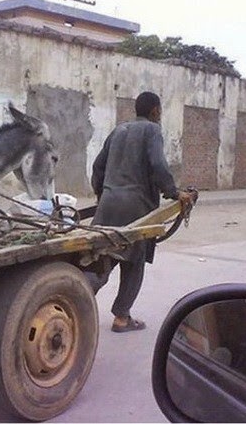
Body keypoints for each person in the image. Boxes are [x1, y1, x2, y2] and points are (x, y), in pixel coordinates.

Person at [90, 91, 192, 333]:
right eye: (160, 111)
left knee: (101, 258)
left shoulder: (119, 130)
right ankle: (122, 318)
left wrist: (102, 194)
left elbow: (97, 167)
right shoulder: (152, 131)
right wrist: (174, 192)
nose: (160, 115)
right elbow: (158, 164)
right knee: (134, 262)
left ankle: (73, 295)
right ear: (155, 111)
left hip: (108, 204)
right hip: (136, 207)